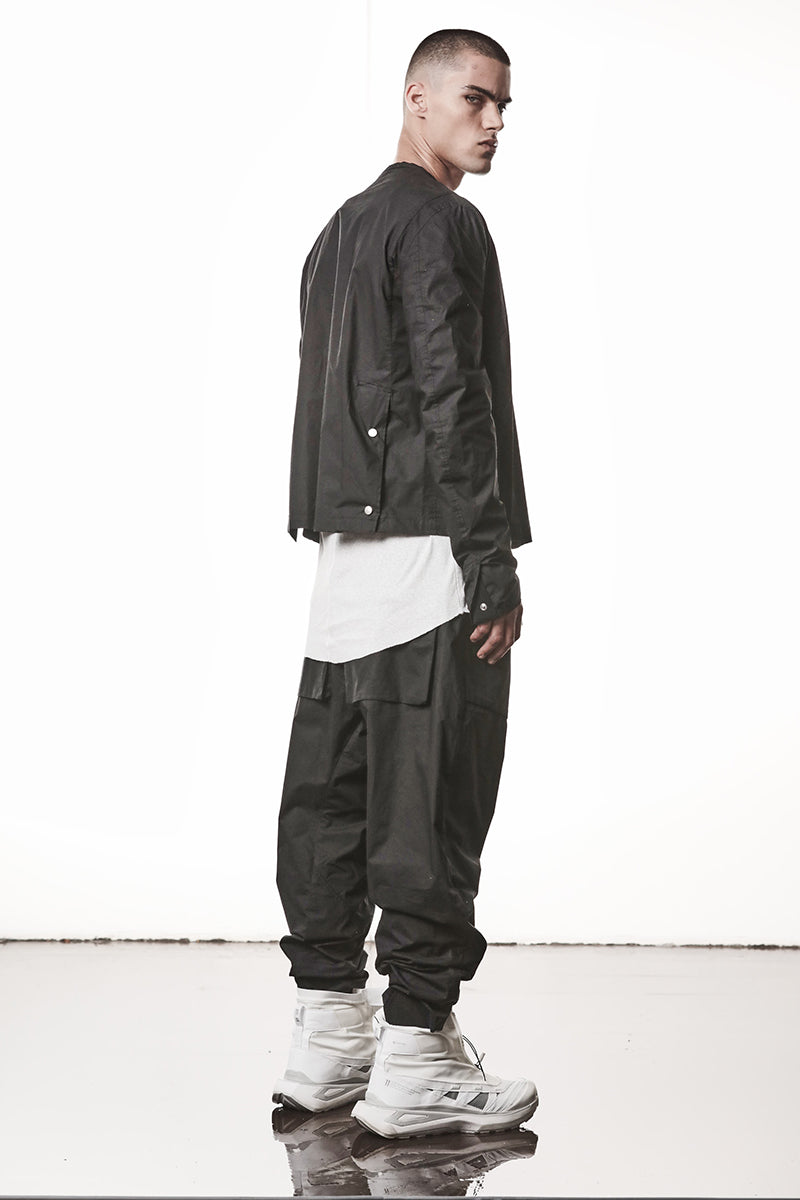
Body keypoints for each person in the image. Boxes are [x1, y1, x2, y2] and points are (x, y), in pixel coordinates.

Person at [273, 28, 537, 1139]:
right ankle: (418, 1055)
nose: (493, 123)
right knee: (431, 807)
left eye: (503, 107)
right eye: (475, 99)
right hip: (431, 557)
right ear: (416, 98)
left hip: (341, 571)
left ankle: (329, 1039)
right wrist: (489, 557)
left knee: (330, 805)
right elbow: (448, 387)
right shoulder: (440, 223)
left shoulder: (336, 232)